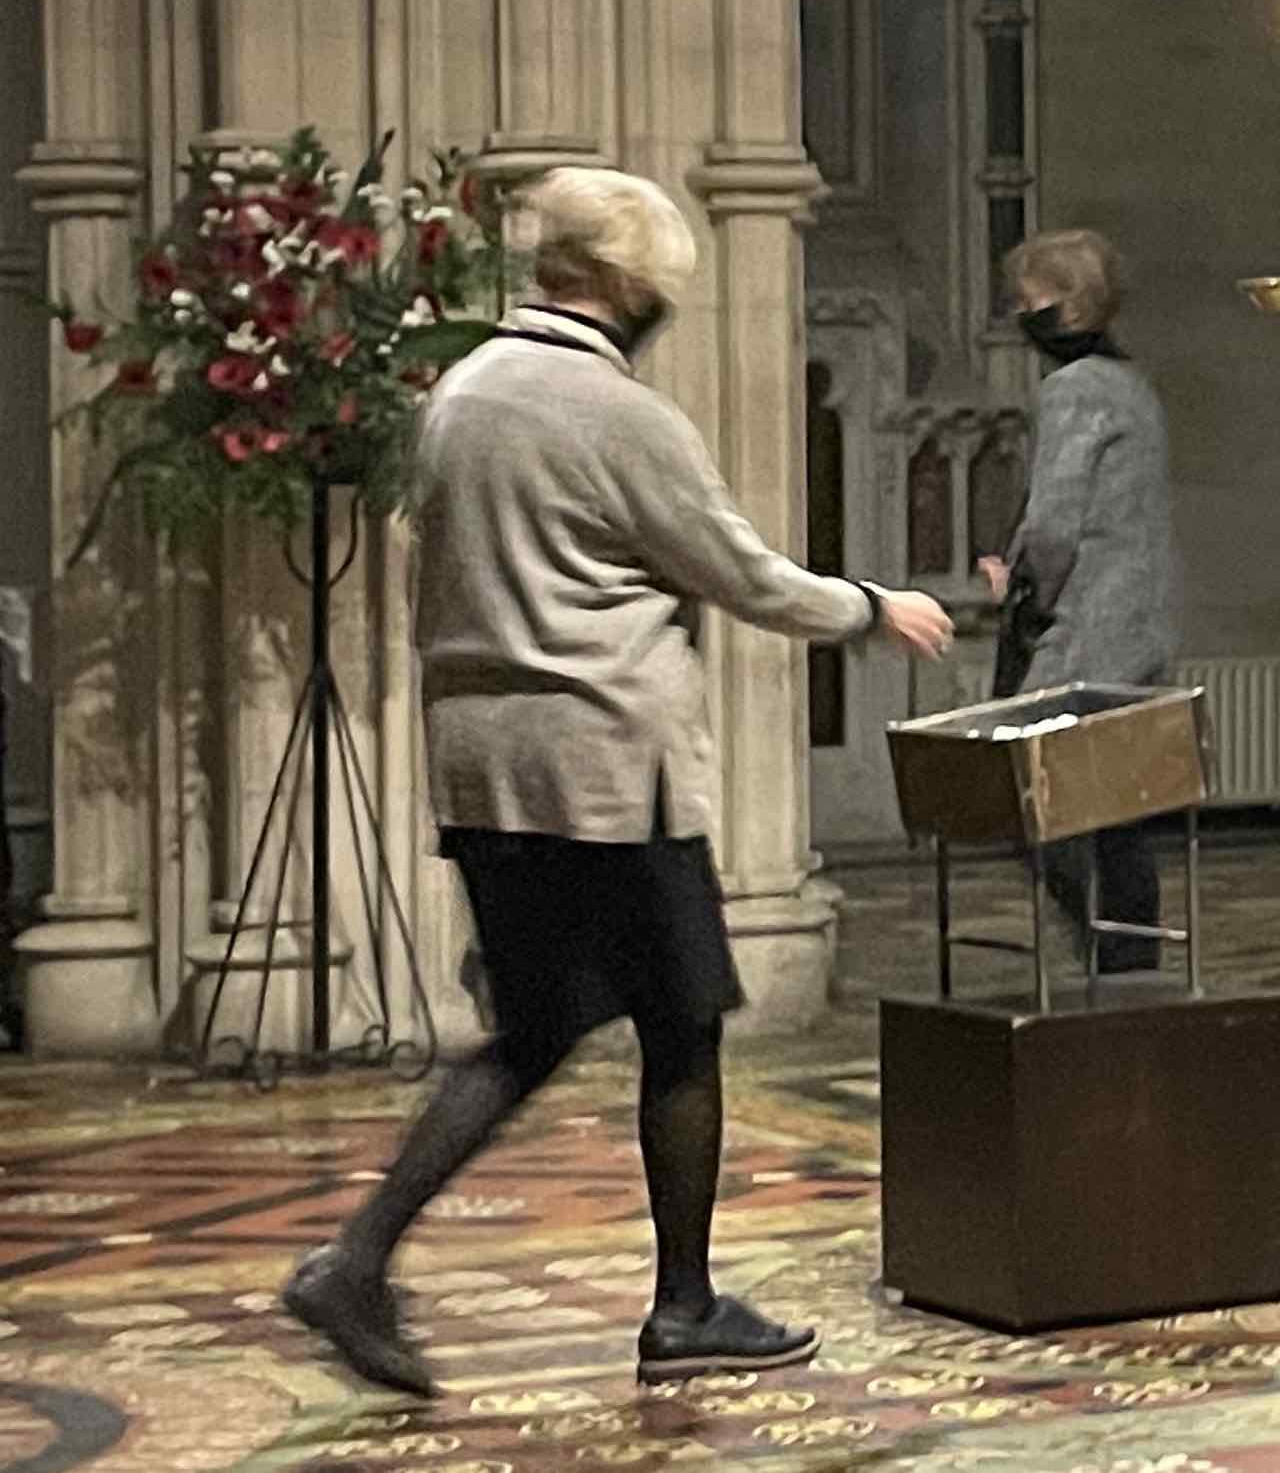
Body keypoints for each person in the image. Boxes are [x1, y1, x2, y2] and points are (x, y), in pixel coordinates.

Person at [283, 167, 954, 1396]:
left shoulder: (460, 391)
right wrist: (872, 607)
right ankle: (680, 1305)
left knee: (534, 1026)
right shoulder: (614, 409)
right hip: (604, 761)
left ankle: (360, 1259)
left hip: (484, 764)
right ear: (629, 283)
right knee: (682, 1020)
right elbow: (737, 571)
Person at [976, 229, 1180, 973]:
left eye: (1027, 301)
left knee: (1042, 812)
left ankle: (1119, 962)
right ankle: (1127, 964)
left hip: (1086, 634)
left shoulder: (1075, 389)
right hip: (1135, 630)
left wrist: (1019, 587)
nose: (1019, 312)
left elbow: (1056, 518)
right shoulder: (1131, 384)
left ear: (1061, 305)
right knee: (1114, 821)